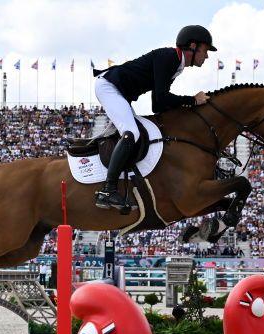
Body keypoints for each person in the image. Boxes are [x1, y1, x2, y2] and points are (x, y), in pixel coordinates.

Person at [91, 25, 216, 211]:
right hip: (109, 86)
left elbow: (158, 105)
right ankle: (108, 190)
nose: (206, 56)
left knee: (140, 133)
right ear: (192, 46)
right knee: (131, 132)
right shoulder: (169, 57)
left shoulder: (176, 64)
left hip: (119, 92)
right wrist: (192, 100)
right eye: (205, 50)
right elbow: (162, 99)